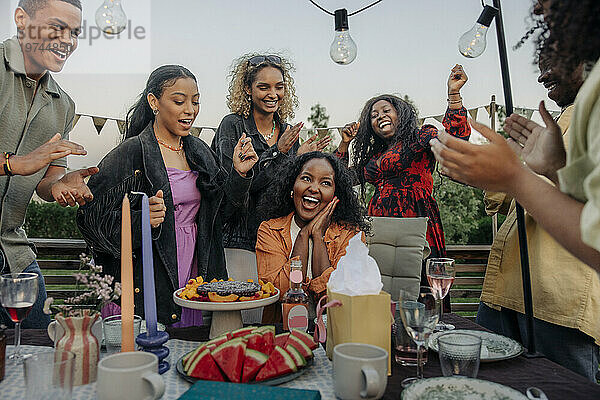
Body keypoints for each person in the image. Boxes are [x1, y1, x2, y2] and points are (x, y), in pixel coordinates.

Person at [77, 65, 258, 327]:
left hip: (192, 271)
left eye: (195, 102)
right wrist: (139, 218)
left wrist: (239, 176)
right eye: (179, 101)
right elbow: (89, 221)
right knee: (147, 356)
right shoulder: (129, 154)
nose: (190, 110)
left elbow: (222, 215)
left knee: (183, 350)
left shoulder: (199, 151)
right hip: (146, 278)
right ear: (154, 102)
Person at [429, 0, 600, 270]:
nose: (535, 9)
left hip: (559, 294)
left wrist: (514, 176)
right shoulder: (563, 119)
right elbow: (585, 200)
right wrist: (557, 170)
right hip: (511, 279)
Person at [477, 46, 599, 381]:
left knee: (561, 389)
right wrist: (491, 166)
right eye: (540, 68)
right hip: (505, 291)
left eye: (552, 63)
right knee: (487, 385)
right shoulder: (554, 123)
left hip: (559, 300)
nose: (543, 75)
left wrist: (525, 174)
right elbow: (500, 198)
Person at [336, 65, 470, 307]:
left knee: (419, 293)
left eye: (386, 110)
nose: (380, 117)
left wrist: (454, 95)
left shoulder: (420, 137)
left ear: (401, 113)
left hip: (416, 224)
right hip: (380, 229)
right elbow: (341, 180)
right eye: (373, 115)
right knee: (381, 291)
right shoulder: (374, 158)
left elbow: (456, 143)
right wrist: (345, 145)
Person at [0, 0, 97, 329]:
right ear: (21, 19)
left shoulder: (64, 105)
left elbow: (47, 177)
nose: (68, 41)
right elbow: (24, 166)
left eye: (75, 32)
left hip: (15, 253)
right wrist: (15, 163)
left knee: (40, 350)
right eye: (58, 27)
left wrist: (57, 184)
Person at [212, 53, 331, 252]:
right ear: (248, 89)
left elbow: (287, 190)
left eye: (279, 87)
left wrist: (300, 161)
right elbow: (233, 188)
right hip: (237, 239)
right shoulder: (232, 125)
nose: (273, 94)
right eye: (264, 87)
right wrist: (279, 152)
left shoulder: (287, 131)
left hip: (278, 237)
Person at [256, 152, 370, 323]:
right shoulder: (270, 230)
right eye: (307, 179)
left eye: (325, 183)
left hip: (336, 331)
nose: (314, 188)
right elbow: (281, 291)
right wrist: (303, 236)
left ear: (335, 195)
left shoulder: (351, 235)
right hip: (282, 333)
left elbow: (336, 299)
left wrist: (317, 236)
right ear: (292, 187)